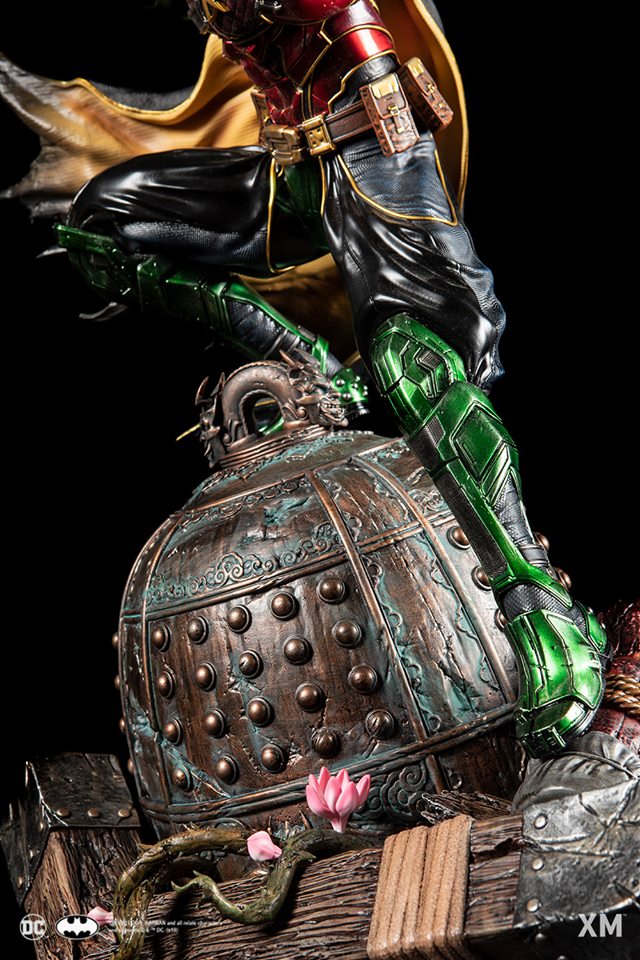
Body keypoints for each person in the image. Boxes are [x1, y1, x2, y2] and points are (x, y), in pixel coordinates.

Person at [2, 0, 610, 757]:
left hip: (372, 146)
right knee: (104, 221)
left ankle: (542, 609)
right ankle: (304, 364)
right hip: (288, 167)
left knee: (415, 364)